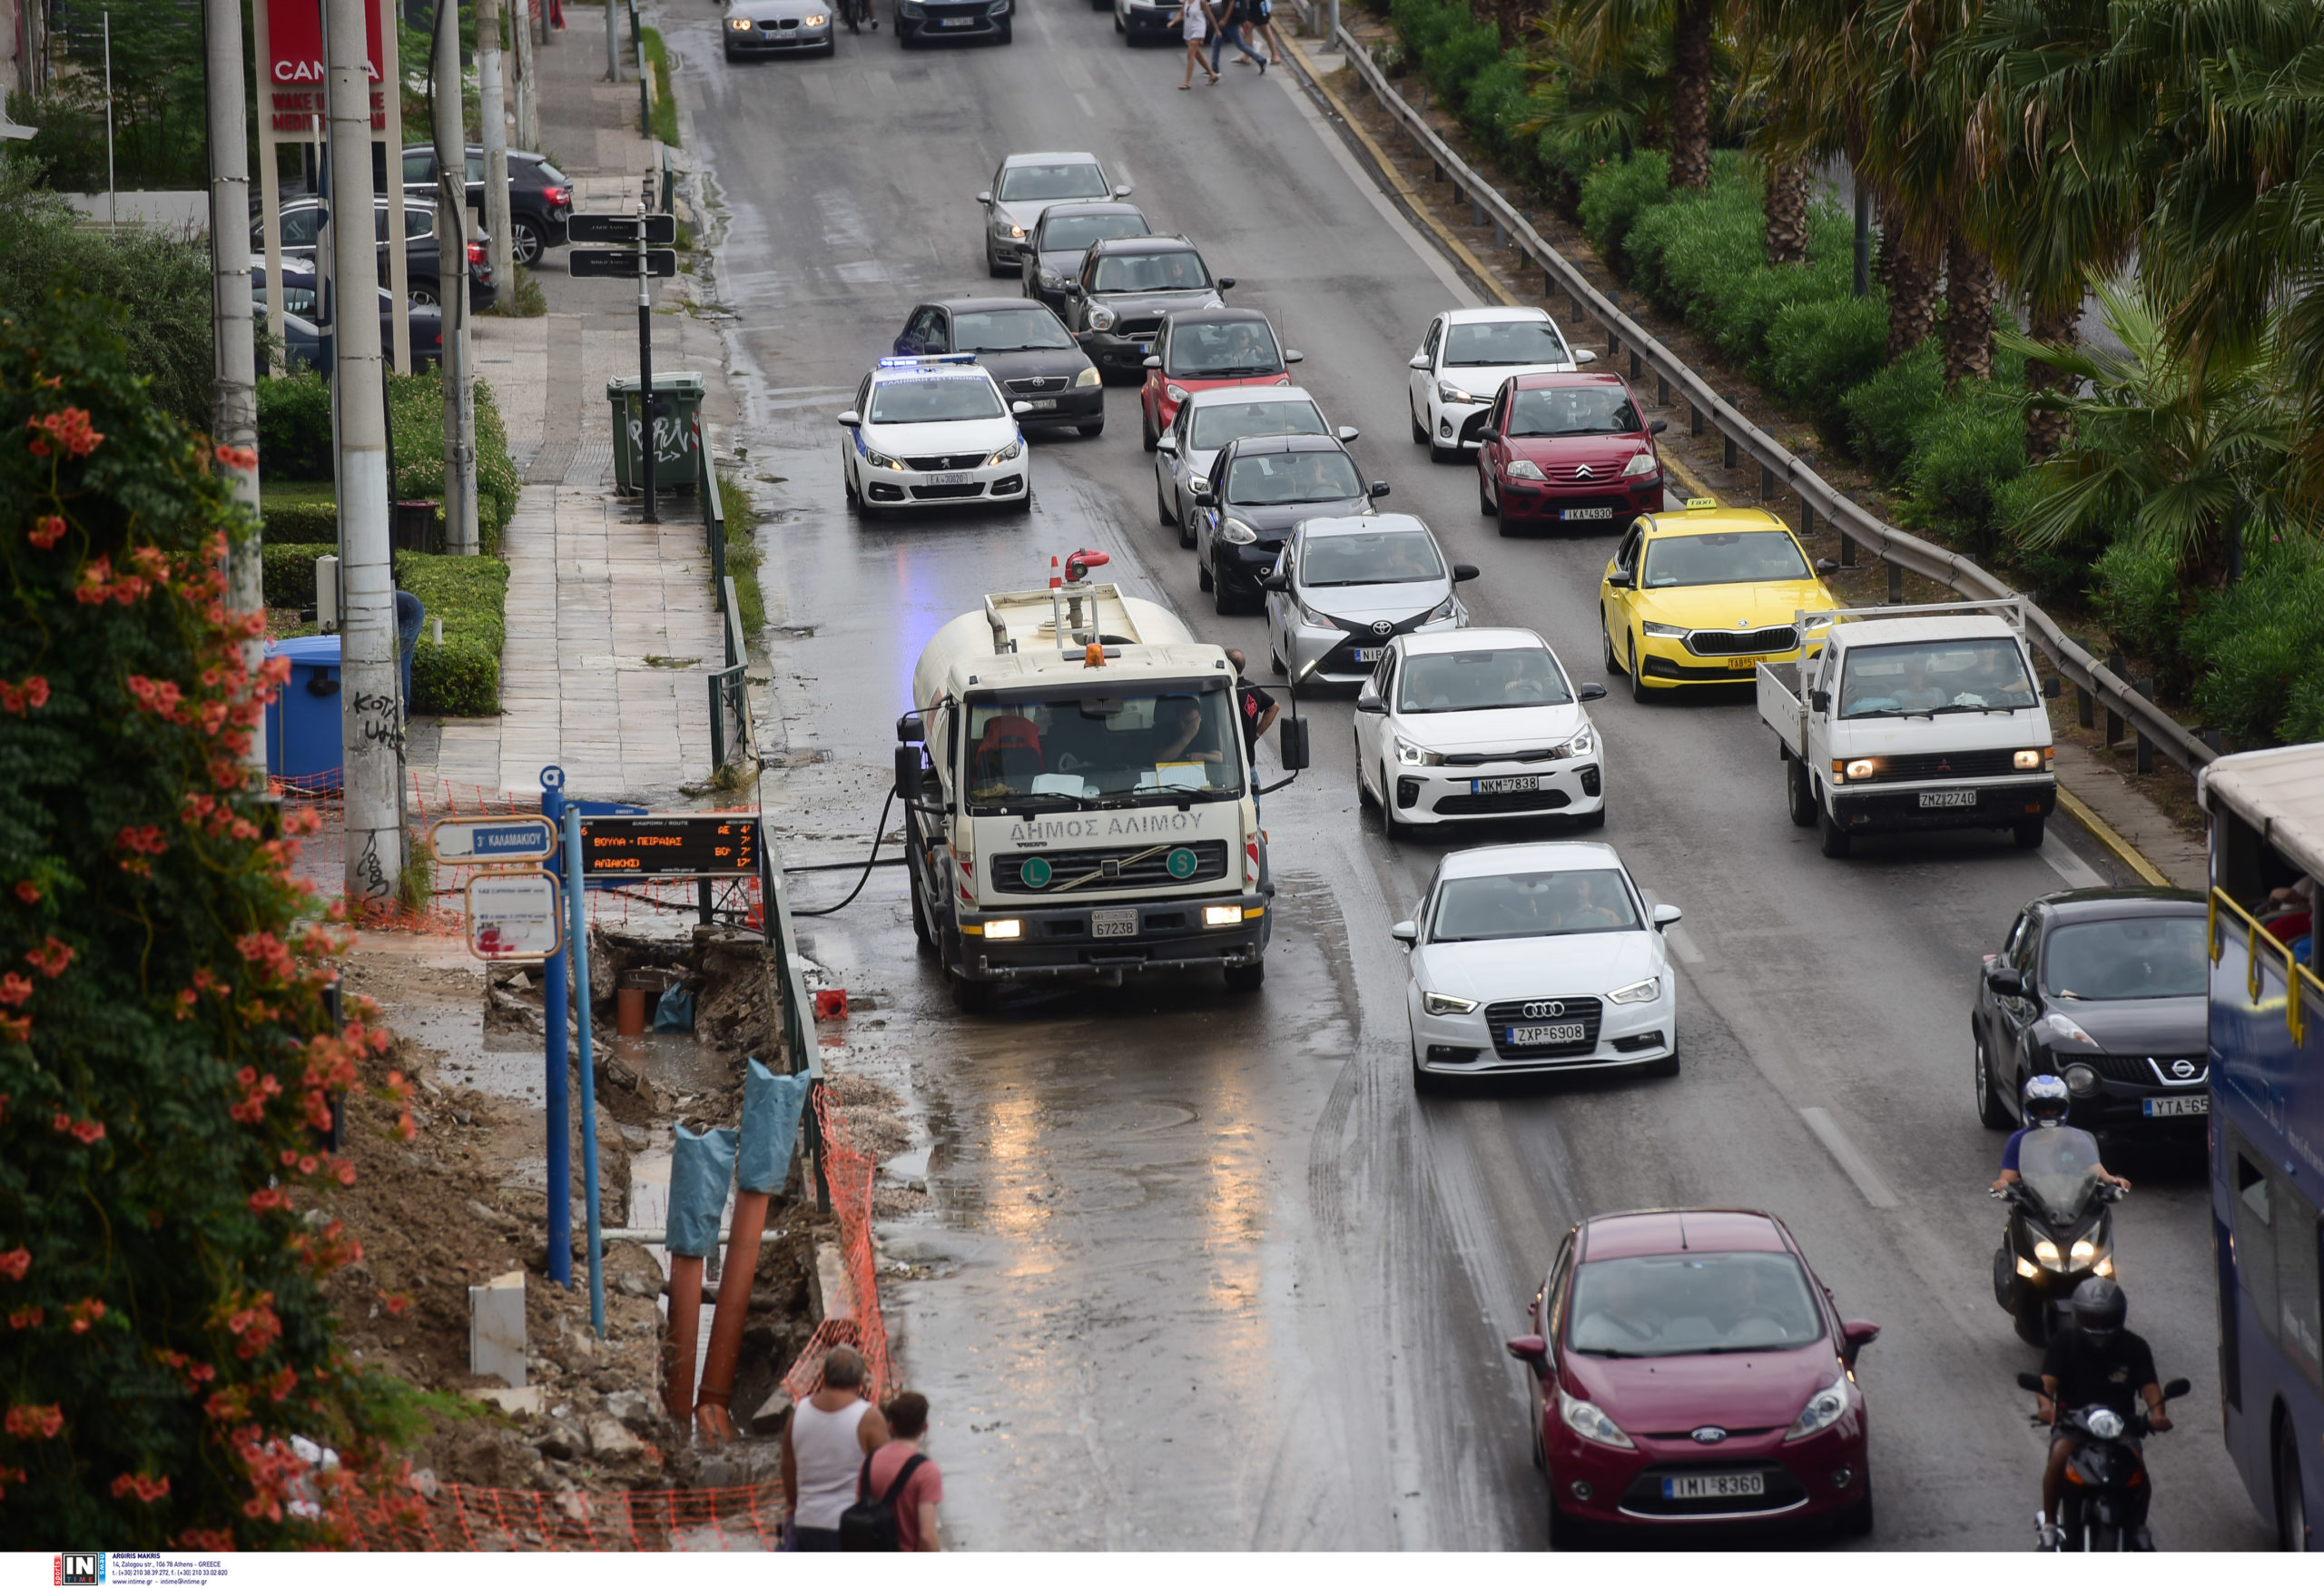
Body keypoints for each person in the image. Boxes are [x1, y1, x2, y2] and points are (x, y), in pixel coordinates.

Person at [2030, 1278, 2170, 1549]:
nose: (2098, 1326)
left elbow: (2151, 1388)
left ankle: (2139, 1527)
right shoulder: (2063, 1343)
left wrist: (2158, 1414)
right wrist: (2046, 1408)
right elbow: (2047, 1383)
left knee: (2139, 1470)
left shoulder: (2134, 1347)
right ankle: (2049, 1525)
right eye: (2091, 1319)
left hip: (2121, 1427)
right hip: (2074, 1423)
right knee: (2059, 1457)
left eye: (2105, 1319)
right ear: (2078, 1316)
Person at [781, 1345, 888, 1551]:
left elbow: (788, 1471)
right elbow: (886, 1474)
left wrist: (795, 1506)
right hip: (851, 1525)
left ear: (823, 1376)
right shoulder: (868, 1418)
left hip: (807, 1522)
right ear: (860, 1380)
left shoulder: (798, 1415)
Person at [1992, 1074, 2131, 1194]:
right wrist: (2002, 1184)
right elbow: (2007, 1178)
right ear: (2030, 1108)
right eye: (2041, 1109)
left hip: (2072, 1201)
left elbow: (2094, 1169)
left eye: (2053, 1108)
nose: (2048, 1113)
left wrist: (2112, 1180)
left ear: (2063, 1108)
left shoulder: (2078, 1139)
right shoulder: (2018, 1140)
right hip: (2033, 1204)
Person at [861, 1392, 944, 1552]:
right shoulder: (927, 1471)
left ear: (891, 1426)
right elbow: (927, 1535)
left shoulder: (869, 1462)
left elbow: (860, 1506)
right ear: (925, 1427)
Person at [1210, 0, 1268, 74]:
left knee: (1240, 45)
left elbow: (1232, 3)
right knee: (1216, 44)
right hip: (1230, 21)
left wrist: (1225, 20)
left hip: (1230, 22)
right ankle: (1214, 68)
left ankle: (1261, 60)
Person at [1177, 0, 1220, 88]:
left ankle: (1187, 82)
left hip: (1198, 29)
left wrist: (1217, 30)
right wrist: (1173, 22)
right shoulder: (1186, 2)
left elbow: (1210, 16)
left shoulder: (1201, 2)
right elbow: (1181, 14)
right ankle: (1212, 74)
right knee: (1197, 54)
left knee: (1190, 55)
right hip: (1189, 31)